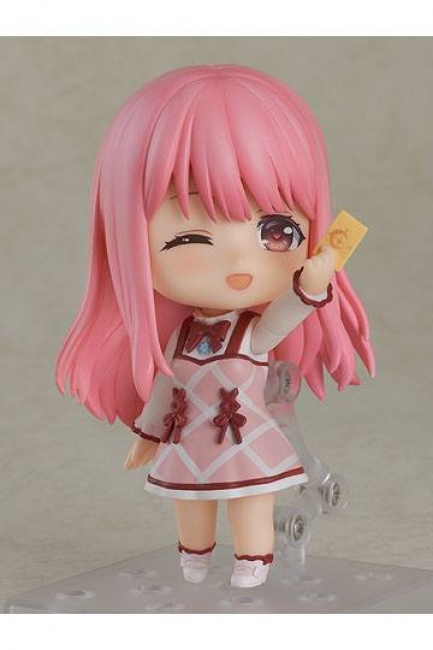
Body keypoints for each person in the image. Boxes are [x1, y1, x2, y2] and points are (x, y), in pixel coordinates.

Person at [56, 64, 375, 589]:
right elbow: (165, 387)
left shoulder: (249, 334)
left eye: (275, 230)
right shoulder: (178, 340)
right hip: (191, 436)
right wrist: (148, 436)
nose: (238, 260)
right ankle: (196, 555)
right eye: (189, 238)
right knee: (190, 500)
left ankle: (253, 557)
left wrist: (311, 286)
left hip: (243, 432)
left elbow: (280, 321)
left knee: (250, 496)